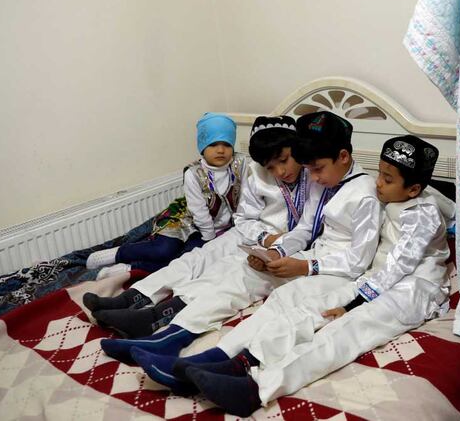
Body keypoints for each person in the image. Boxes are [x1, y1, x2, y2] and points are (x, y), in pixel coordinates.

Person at [146, 135, 454, 417]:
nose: (378, 183)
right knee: (303, 310)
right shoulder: (392, 196)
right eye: (380, 174)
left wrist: (353, 304)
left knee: (343, 331)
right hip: (373, 278)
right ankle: (239, 361)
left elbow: (399, 264)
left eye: (387, 179)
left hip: (412, 289)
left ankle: (258, 388)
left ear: (413, 188)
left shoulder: (422, 214)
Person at [109, 111, 382, 392]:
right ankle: (171, 338)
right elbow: (304, 229)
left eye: (317, 168)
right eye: (308, 168)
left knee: (283, 302)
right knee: (245, 273)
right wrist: (275, 252)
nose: (311, 175)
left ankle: (214, 360)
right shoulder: (322, 181)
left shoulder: (365, 194)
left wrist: (303, 267)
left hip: (335, 268)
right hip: (310, 256)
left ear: (344, 157)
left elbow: (358, 261)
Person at [82, 115, 311, 338]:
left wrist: (276, 245)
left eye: (284, 160)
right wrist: (262, 237)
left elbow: (313, 228)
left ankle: (156, 316)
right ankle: (133, 297)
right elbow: (244, 216)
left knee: (226, 274)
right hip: (253, 233)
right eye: (271, 167)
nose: (280, 171)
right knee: (196, 258)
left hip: (285, 245)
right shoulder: (257, 172)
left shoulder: (316, 175)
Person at [85, 112, 245, 278]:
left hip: (222, 228)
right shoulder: (193, 173)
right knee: (164, 250)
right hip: (188, 222)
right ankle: (117, 254)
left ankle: (129, 269)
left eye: (226, 144)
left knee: (188, 260)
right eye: (213, 144)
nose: (220, 150)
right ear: (202, 146)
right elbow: (199, 211)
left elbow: (245, 197)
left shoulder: (240, 164)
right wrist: (209, 240)